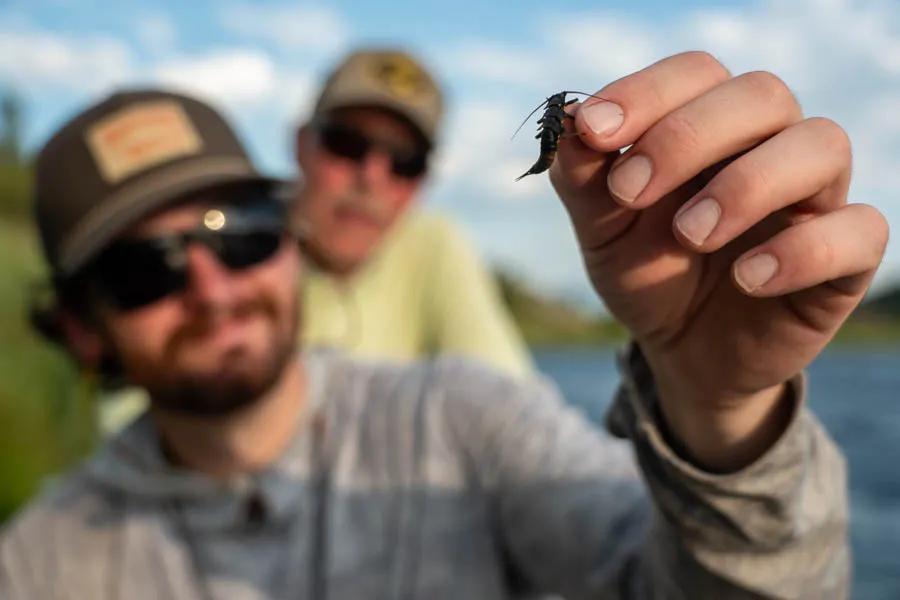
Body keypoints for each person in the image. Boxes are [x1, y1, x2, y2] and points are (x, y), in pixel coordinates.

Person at [1, 51, 886, 598]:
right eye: (140, 268)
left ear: (285, 240)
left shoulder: (466, 421)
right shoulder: (38, 566)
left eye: (241, 234)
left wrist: (723, 416)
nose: (209, 287)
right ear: (80, 328)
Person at [294, 48, 532, 376]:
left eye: (406, 162)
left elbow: (512, 398)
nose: (372, 178)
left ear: (424, 181)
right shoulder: (236, 249)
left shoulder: (434, 241)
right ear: (301, 144)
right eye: (347, 143)